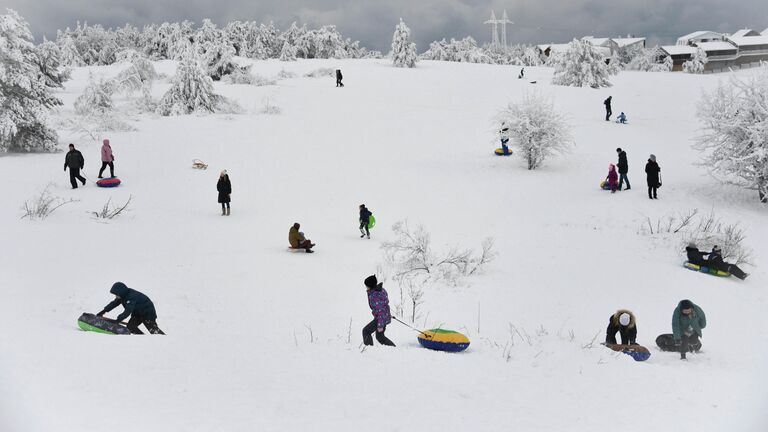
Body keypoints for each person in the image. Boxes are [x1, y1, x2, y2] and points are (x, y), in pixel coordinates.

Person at [97, 282, 164, 335]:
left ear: (120, 292)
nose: (116, 296)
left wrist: (118, 320)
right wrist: (103, 311)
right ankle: (142, 339)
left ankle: (163, 340)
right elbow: (114, 304)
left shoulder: (131, 297)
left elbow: (127, 311)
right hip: (137, 314)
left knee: (153, 329)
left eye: (116, 294)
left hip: (148, 312)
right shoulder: (122, 296)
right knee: (131, 327)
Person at [362, 275, 395, 347]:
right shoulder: (380, 290)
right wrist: (387, 314)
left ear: (370, 285)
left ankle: (368, 350)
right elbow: (384, 305)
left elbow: (380, 310)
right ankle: (393, 348)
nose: (366, 287)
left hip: (380, 318)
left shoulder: (375, 295)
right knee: (380, 337)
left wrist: (380, 325)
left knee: (366, 331)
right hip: (383, 317)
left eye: (366, 285)